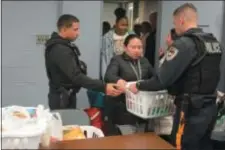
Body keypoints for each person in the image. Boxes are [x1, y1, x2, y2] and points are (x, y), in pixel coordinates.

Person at [128, 3, 222, 150]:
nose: (175, 27)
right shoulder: (213, 42)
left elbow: (161, 80)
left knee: (181, 145)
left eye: (174, 23)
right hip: (209, 107)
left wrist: (137, 85)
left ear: (181, 20)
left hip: (189, 109)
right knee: (203, 146)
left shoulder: (184, 44)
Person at [44, 14, 122, 110]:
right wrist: (104, 87)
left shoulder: (63, 46)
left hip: (65, 95)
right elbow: (76, 76)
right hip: (61, 98)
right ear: (64, 29)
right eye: (75, 29)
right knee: (64, 124)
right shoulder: (60, 49)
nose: (78, 33)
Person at [103, 34, 155, 135]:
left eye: (139, 47)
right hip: (123, 107)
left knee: (140, 139)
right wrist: (118, 81)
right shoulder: (117, 60)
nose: (137, 50)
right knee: (126, 139)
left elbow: (154, 77)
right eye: (133, 47)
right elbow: (108, 75)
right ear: (125, 47)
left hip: (142, 108)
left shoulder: (144, 61)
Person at [100, 7, 134, 79]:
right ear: (116, 24)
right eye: (122, 25)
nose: (124, 27)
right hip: (114, 71)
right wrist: (105, 76)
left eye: (126, 25)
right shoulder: (108, 37)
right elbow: (105, 59)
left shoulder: (132, 36)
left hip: (130, 70)